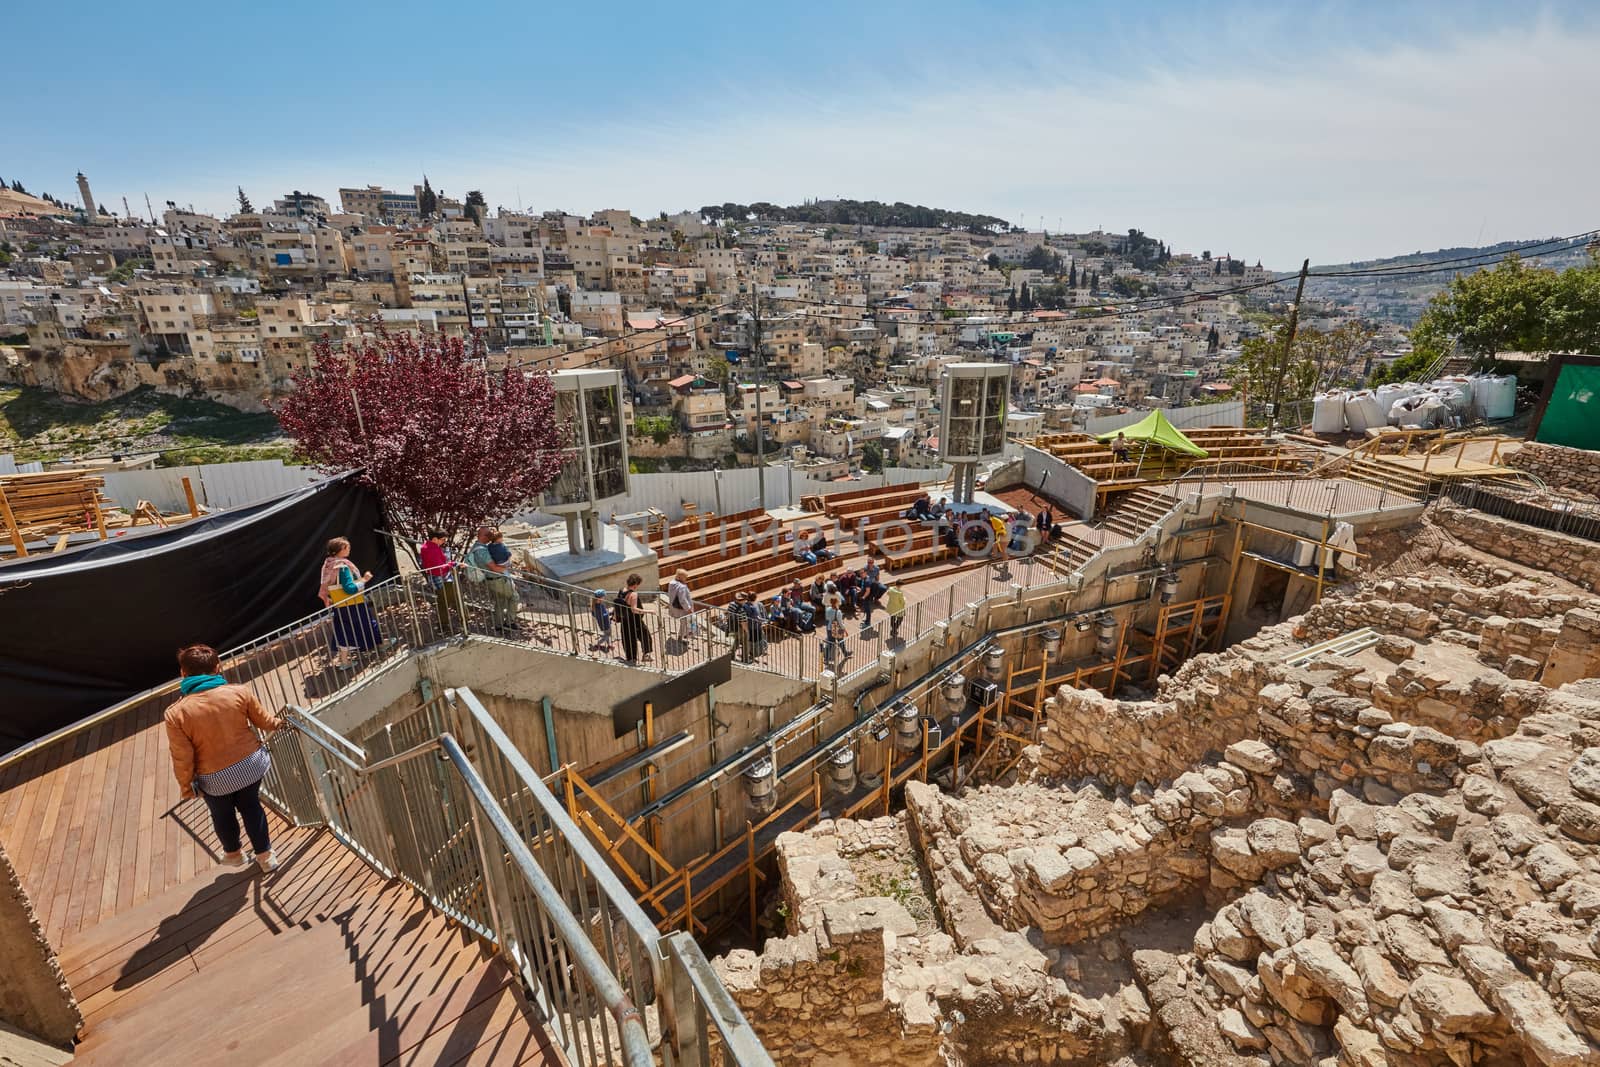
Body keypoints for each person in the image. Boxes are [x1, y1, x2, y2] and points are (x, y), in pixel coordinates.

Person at [164, 644, 284, 872]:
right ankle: (266, 857)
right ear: (218, 667)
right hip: (251, 766)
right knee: (251, 808)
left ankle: (234, 854)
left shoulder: (175, 713)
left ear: (183, 673)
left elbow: (182, 756)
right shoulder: (239, 691)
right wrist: (280, 723)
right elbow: (265, 722)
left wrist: (186, 786)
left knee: (221, 814)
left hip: (215, 779)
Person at [320, 537, 381, 668]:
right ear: (341, 550)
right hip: (353, 603)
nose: (349, 549)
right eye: (347, 547)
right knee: (369, 624)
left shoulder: (328, 564)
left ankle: (344, 661)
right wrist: (364, 579)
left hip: (339, 604)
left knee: (343, 631)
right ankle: (381, 644)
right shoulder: (342, 567)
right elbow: (349, 588)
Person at [467, 527, 519, 634]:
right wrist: (507, 567)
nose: (491, 537)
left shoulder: (476, 547)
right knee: (514, 597)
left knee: (500, 601)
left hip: (489, 579)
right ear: (484, 536)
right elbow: (494, 567)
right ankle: (510, 622)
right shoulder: (482, 551)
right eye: (489, 535)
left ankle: (498, 625)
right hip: (497, 579)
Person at [419, 530, 460, 632]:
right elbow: (440, 568)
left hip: (437, 577)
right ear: (434, 539)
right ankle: (445, 626)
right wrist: (453, 565)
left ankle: (444, 625)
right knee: (447, 600)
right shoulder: (432, 549)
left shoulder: (428, 547)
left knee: (444, 601)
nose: (444, 541)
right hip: (440, 577)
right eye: (442, 539)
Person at [614, 573, 653, 663]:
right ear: (636, 584)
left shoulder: (621, 590)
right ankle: (646, 655)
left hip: (625, 620)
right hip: (635, 620)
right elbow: (634, 610)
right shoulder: (633, 594)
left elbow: (617, 605)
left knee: (628, 639)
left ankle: (631, 659)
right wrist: (649, 611)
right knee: (645, 635)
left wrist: (615, 616)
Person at [666, 569, 696, 641]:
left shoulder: (671, 583)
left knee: (685, 622)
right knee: (685, 622)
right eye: (685, 577)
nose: (686, 579)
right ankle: (681, 637)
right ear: (681, 577)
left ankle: (684, 635)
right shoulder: (682, 587)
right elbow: (682, 600)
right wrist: (688, 609)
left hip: (674, 607)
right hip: (682, 609)